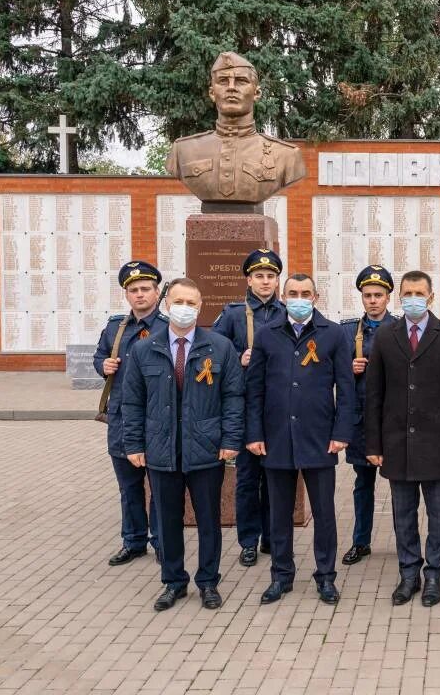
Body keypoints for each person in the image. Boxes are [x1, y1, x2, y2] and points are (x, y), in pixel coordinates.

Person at [122, 277, 244, 611]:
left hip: (205, 448)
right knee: (167, 520)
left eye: (192, 303)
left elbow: (234, 398)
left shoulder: (219, 347)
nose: (185, 309)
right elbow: (131, 402)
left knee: (208, 520)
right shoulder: (145, 348)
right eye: (179, 302)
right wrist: (134, 444)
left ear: (201, 306)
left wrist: (231, 440)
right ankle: (173, 581)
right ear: (165, 304)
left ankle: (208, 582)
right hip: (161, 450)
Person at [245, 273, 354, 606]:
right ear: (283, 296)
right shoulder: (267, 334)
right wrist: (254, 433)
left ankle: (326, 577)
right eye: (292, 293)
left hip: (318, 437)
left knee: (324, 513)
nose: (299, 298)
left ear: (315, 297)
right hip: (276, 437)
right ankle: (281, 576)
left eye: (305, 293)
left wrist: (341, 432)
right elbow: (255, 389)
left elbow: (346, 390)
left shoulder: (333, 333)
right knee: (279, 514)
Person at [364, 270, 440, 608]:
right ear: (400, 297)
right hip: (397, 443)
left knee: (438, 514)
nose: (412, 298)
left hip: (437, 444)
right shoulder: (385, 335)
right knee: (403, 514)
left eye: (418, 293)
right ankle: (409, 572)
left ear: (431, 297)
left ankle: (434, 573)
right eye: (407, 292)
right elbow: (374, 395)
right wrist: (374, 445)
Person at [212, 248, 284, 567]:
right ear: (248, 279)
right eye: (259, 276)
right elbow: (211, 355)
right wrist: (238, 358)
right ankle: (248, 541)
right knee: (246, 479)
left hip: (278, 407)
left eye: (270, 276)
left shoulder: (286, 313)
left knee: (275, 477)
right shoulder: (232, 315)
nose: (265, 282)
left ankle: (271, 536)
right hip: (244, 407)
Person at [92, 260, 167, 567]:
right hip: (122, 420)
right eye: (133, 290)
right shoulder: (115, 328)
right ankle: (133, 541)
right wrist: (103, 366)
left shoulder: (166, 327)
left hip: (156, 419)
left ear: (157, 291)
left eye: (145, 289)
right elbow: (100, 356)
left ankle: (163, 541)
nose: (140, 295)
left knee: (160, 489)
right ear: (126, 294)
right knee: (129, 487)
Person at [166, 51, 305, 205]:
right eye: (223, 81)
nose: (231, 88)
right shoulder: (183, 150)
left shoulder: (286, 156)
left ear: (256, 93)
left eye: (241, 81)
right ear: (212, 93)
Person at [339, 265, 397, 566]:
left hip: (394, 422)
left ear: (388, 297)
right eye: (367, 295)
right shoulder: (348, 330)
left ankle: (406, 542)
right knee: (363, 486)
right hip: (362, 422)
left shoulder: (400, 328)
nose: (373, 300)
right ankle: (361, 542)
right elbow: (330, 372)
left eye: (378, 295)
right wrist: (349, 370)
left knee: (401, 488)